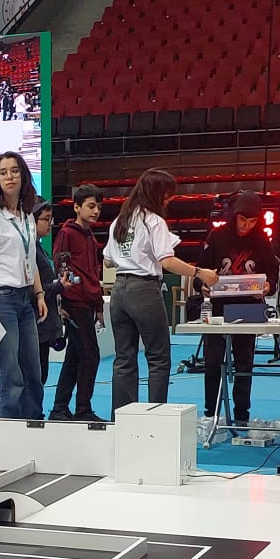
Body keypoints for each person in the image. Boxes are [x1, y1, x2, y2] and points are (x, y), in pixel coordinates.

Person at [105, 168, 219, 413]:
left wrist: (130, 256)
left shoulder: (120, 221)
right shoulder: (154, 222)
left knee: (124, 358)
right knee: (158, 358)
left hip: (119, 290)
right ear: (157, 194)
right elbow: (167, 261)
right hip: (143, 289)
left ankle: (122, 418)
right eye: (168, 194)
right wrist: (200, 272)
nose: (170, 199)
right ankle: (155, 417)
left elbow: (107, 260)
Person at [194, 190, 279, 425]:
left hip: (248, 307)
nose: (246, 226)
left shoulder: (261, 240)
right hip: (218, 307)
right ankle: (211, 412)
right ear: (234, 216)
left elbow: (273, 273)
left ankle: (242, 413)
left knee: (244, 360)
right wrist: (202, 286)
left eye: (252, 221)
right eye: (242, 220)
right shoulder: (218, 236)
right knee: (213, 361)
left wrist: (268, 287)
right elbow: (199, 270)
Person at [0, 152, 48, 419]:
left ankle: (32, 423)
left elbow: (31, 258)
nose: (9, 176)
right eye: (3, 172)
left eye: (15, 171)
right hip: (1, 302)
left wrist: (39, 293)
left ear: (23, 175)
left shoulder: (27, 216)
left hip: (25, 300)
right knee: (9, 374)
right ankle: (3, 428)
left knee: (33, 372)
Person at [48, 184, 105, 422]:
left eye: (98, 207)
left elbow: (92, 272)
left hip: (87, 302)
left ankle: (60, 408)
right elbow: (61, 267)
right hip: (75, 303)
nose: (96, 211)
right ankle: (82, 409)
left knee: (75, 357)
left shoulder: (89, 236)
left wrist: (98, 305)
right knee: (90, 355)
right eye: (91, 206)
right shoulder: (67, 234)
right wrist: (62, 302)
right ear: (77, 207)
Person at [32, 199, 66, 387]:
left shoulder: (39, 248)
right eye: (46, 219)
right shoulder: (31, 250)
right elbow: (33, 289)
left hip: (44, 323)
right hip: (36, 322)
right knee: (36, 377)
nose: (50, 223)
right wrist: (58, 286)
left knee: (40, 376)